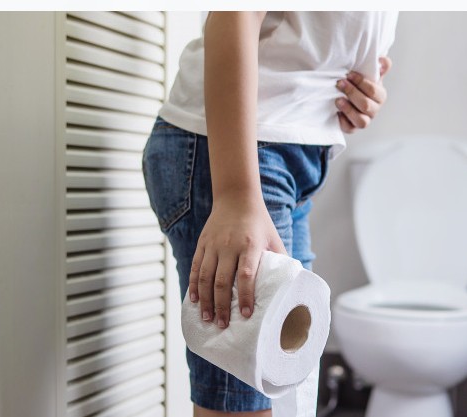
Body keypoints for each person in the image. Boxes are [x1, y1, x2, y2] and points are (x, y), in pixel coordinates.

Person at [142, 11, 398, 417]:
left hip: (287, 157)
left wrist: (362, 92)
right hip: (236, 156)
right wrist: (235, 194)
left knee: (283, 392)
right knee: (246, 404)